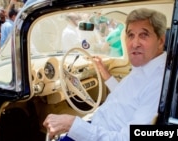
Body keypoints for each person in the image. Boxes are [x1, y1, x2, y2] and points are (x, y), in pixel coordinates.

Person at [43, 8, 167, 141]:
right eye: (130, 35)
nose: (134, 44)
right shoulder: (146, 67)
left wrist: (72, 124)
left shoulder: (158, 81)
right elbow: (127, 96)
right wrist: (105, 73)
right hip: (96, 127)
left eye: (144, 35)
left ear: (160, 41)